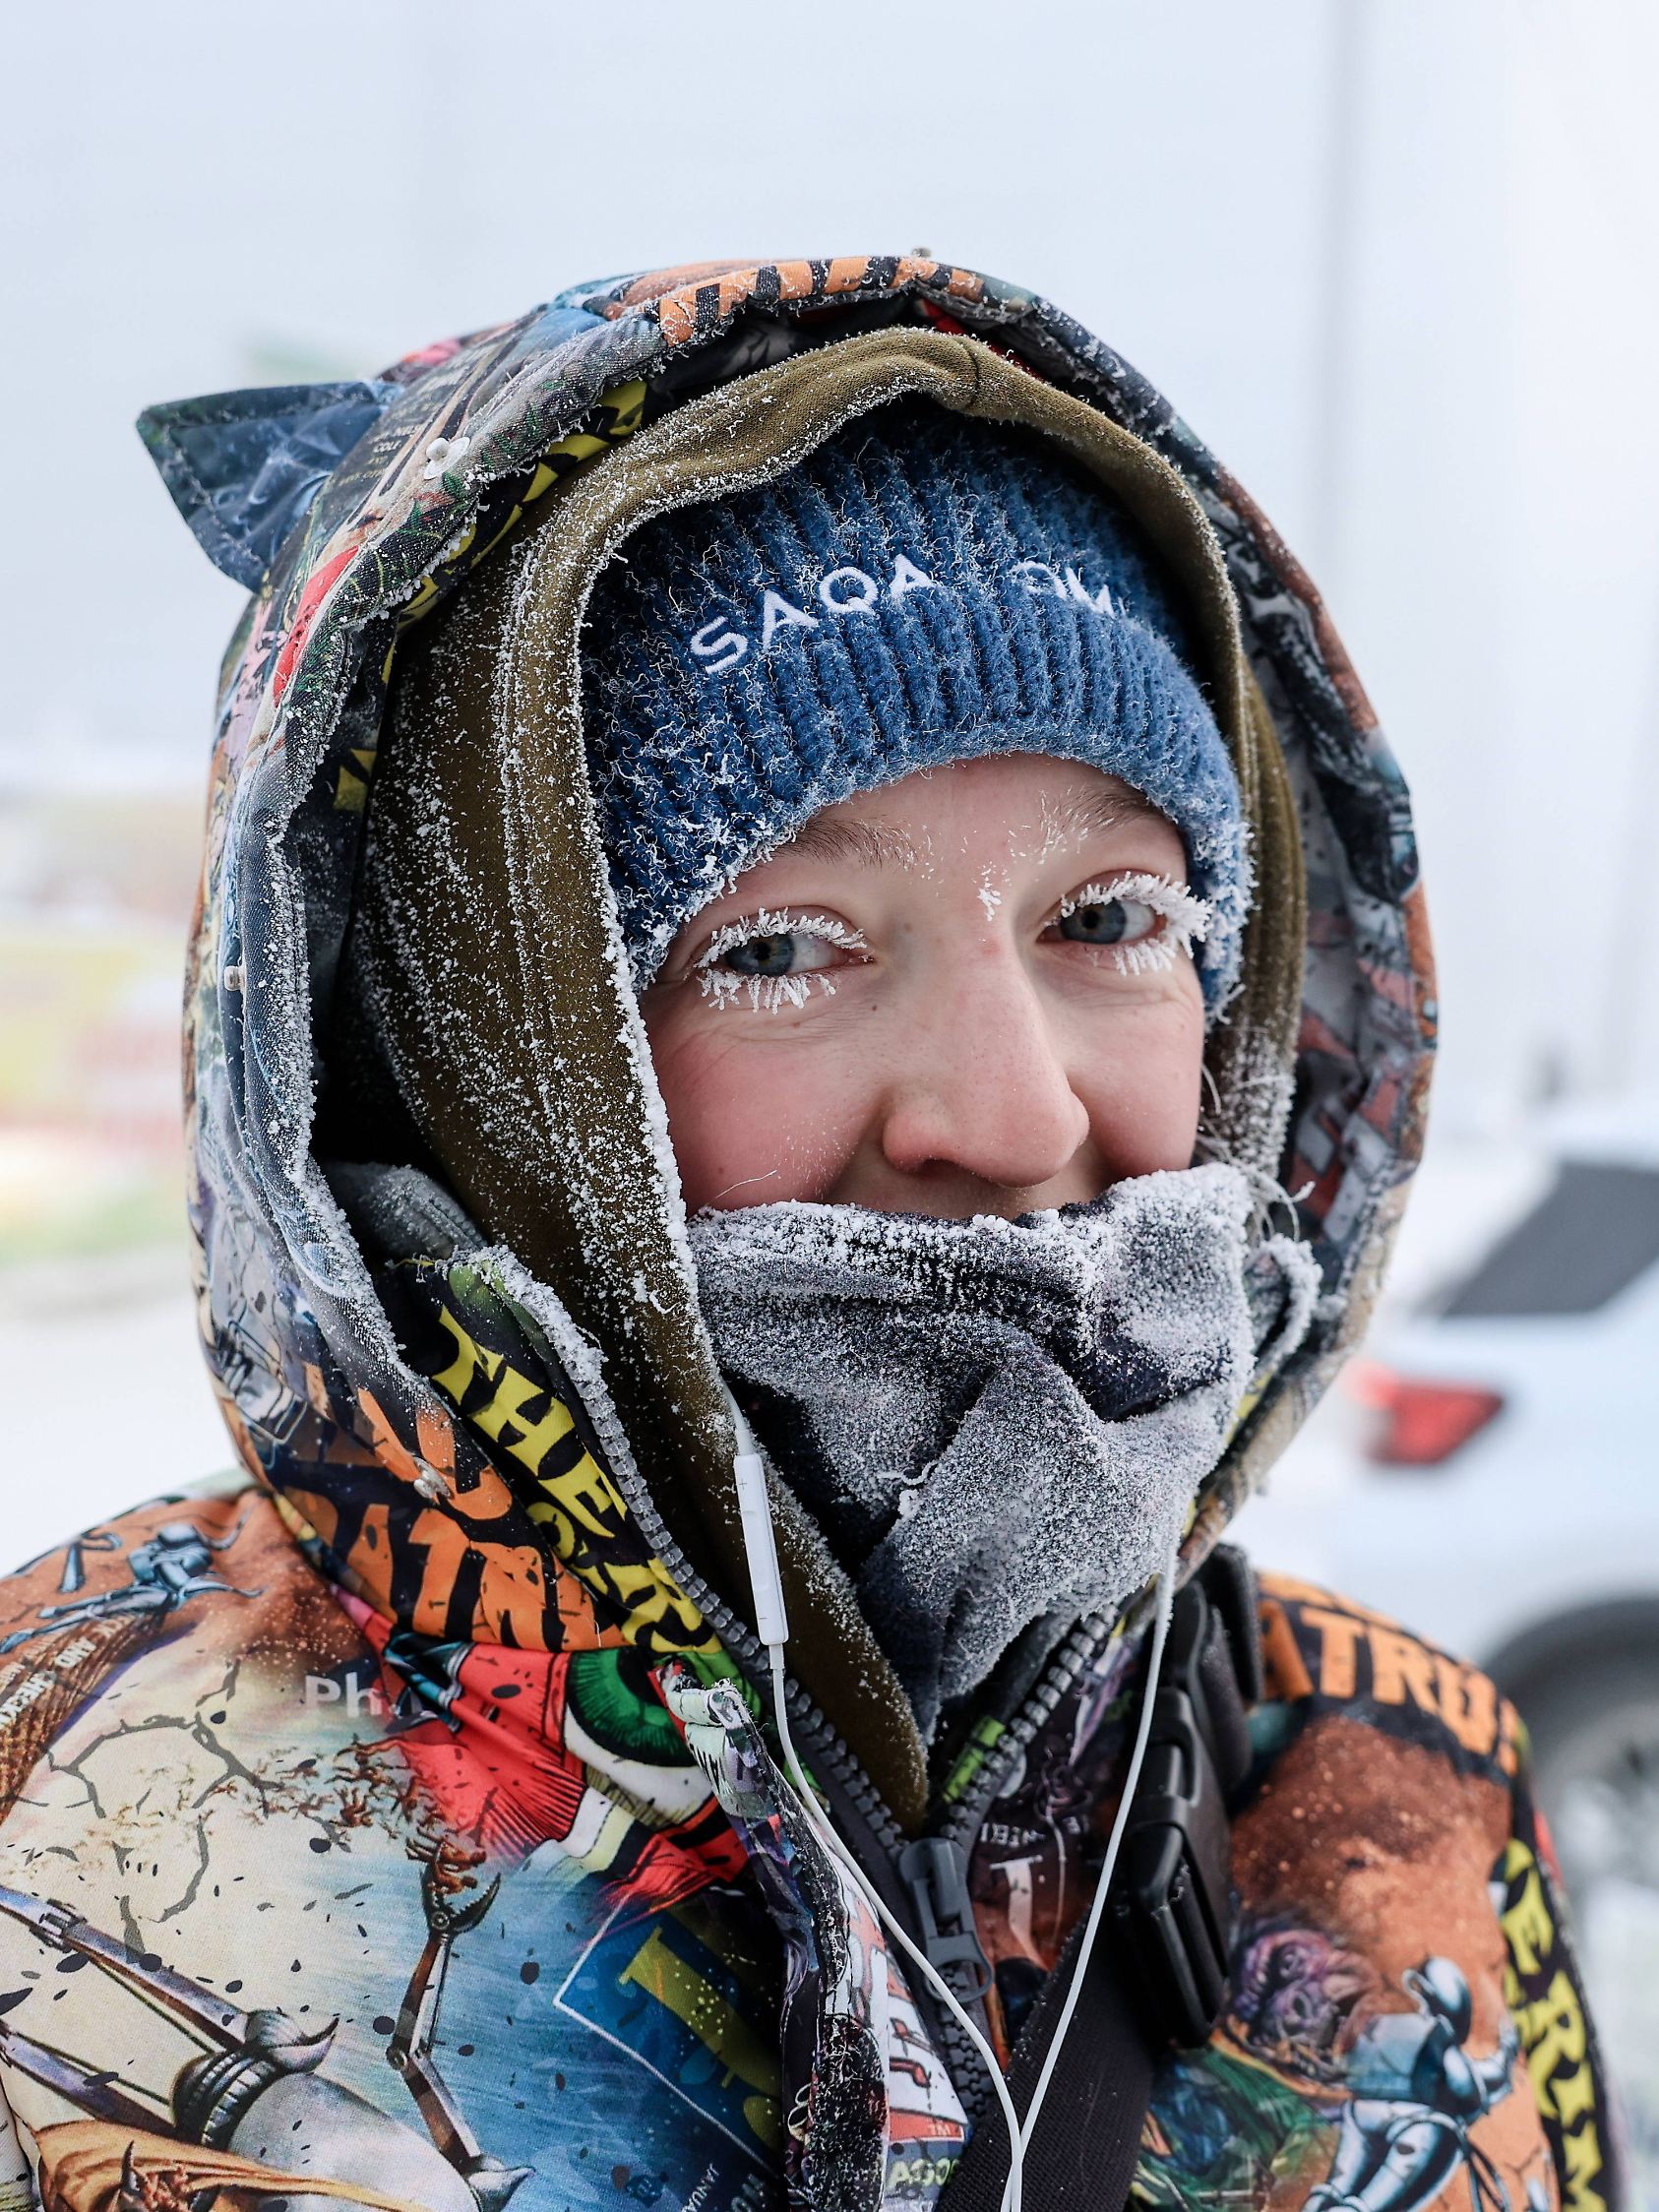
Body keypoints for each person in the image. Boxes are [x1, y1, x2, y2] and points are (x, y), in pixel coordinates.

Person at [0, 257, 1619, 2212]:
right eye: (779, 948)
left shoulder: (1399, 1779)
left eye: (1109, 920)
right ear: (479, 1053)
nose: (1015, 1115)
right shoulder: (70, 1804)